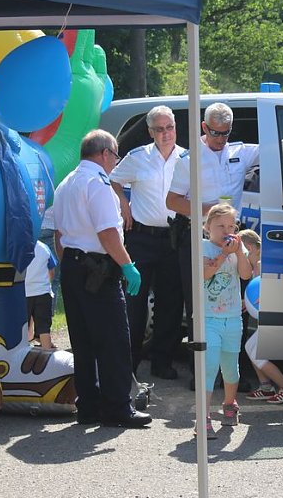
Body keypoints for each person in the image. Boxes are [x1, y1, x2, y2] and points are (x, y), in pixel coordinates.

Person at [53, 129, 152, 428]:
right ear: (105, 153)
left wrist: (71, 265)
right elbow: (107, 232)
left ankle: (89, 406)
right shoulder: (97, 184)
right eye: (115, 156)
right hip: (97, 268)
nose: (115, 163)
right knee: (113, 341)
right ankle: (118, 407)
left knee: (83, 343)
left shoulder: (67, 182)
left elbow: (59, 236)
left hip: (72, 265)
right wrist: (127, 265)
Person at [166, 102, 259, 392]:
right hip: (197, 237)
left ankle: (234, 371)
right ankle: (203, 371)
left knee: (234, 302)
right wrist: (210, 210)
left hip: (231, 238)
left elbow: (276, 144)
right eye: (216, 133)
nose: (221, 139)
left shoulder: (239, 151)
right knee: (199, 304)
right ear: (205, 128)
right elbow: (173, 201)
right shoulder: (188, 159)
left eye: (226, 133)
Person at [110, 105, 185, 381]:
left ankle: (162, 361)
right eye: (159, 129)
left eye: (169, 127)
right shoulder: (137, 157)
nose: (165, 134)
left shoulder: (186, 158)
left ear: (175, 128)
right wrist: (123, 203)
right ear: (151, 132)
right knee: (134, 301)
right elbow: (112, 181)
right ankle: (128, 363)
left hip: (174, 238)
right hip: (141, 237)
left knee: (171, 302)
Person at [196, 203, 253, 438]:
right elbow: (205, 273)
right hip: (208, 318)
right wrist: (223, 255)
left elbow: (246, 274)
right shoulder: (202, 247)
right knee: (208, 368)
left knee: (231, 369)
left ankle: (230, 404)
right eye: (220, 226)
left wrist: (239, 252)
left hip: (232, 318)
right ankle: (204, 416)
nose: (226, 230)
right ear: (208, 227)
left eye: (231, 226)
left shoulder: (238, 250)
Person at [238, 229, 283, 404]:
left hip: (279, 316)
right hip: (271, 316)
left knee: (253, 350)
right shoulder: (263, 262)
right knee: (252, 347)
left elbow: (273, 288)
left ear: (248, 248)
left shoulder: (260, 264)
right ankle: (266, 387)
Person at [25, 239, 57, 350]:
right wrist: (47, 283)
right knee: (44, 328)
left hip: (24, 293)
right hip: (43, 293)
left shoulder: (19, 247)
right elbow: (52, 270)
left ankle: (23, 354)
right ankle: (47, 354)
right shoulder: (44, 248)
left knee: (23, 327)